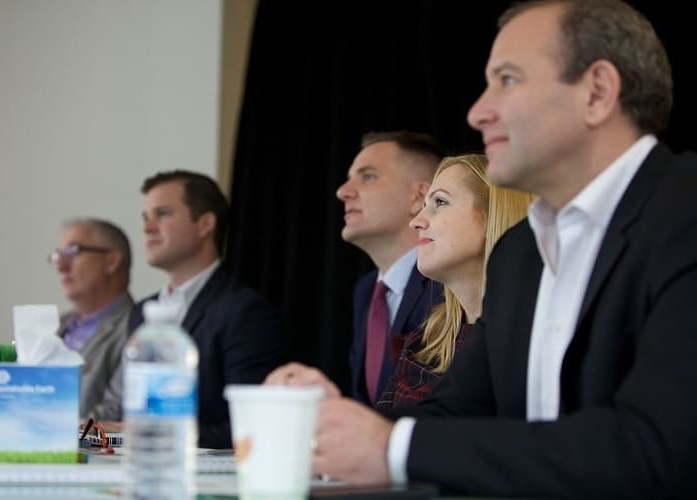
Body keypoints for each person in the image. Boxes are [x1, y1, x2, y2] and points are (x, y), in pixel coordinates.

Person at [266, 1, 697, 497]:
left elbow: (657, 448)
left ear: (597, 93)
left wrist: (390, 447)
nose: (478, 112)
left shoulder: (687, 215)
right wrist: (334, 421)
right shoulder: (520, 253)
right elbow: (453, 415)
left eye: (508, 80)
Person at [128, 170, 287, 449]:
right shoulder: (141, 312)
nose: (147, 227)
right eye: (145, 217)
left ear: (205, 224)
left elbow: (253, 422)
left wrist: (162, 437)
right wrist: (98, 435)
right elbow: (132, 415)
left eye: (162, 214)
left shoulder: (244, 311)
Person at [376, 154, 532, 408]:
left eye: (440, 202)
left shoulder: (531, 340)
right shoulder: (425, 339)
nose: (416, 222)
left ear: (492, 215)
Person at [337, 130, 445, 406]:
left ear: (419, 196)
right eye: (349, 178)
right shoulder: (365, 292)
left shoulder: (446, 286)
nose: (343, 191)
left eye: (368, 176)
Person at [51, 218, 133, 422]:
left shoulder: (138, 329)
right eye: (57, 256)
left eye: (73, 252)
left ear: (111, 261)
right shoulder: (54, 326)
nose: (61, 266)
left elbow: (114, 413)